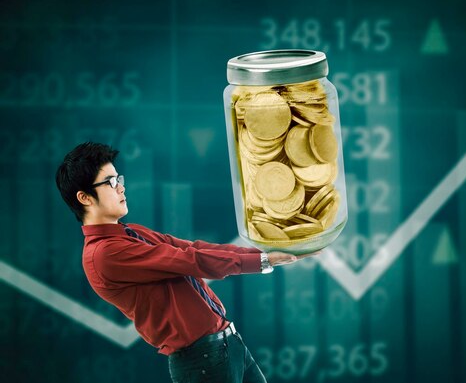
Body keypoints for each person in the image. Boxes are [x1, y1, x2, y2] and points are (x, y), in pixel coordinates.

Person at [56, 142, 320, 383]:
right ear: (85, 197)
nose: (121, 187)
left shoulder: (130, 232)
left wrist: (262, 252)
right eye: (110, 182)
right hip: (203, 361)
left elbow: (192, 247)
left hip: (228, 347)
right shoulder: (105, 254)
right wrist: (263, 261)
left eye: (118, 179)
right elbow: (187, 260)